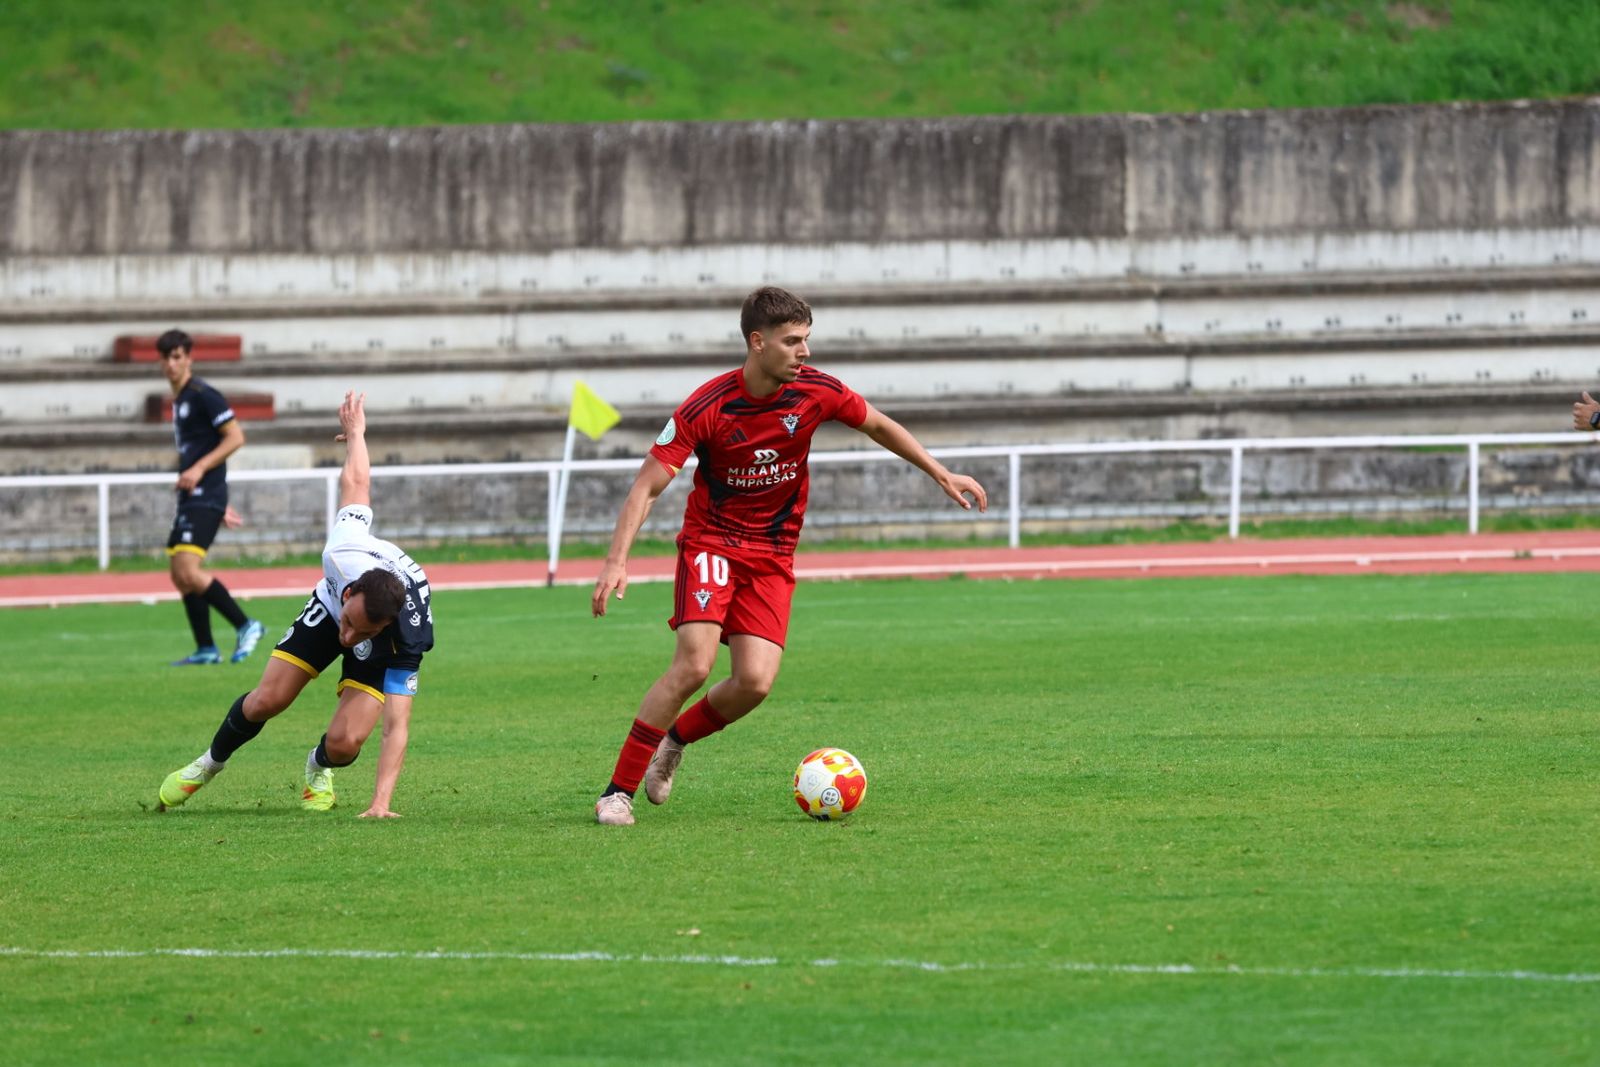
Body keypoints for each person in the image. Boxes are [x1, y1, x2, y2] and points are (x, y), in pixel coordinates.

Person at [589, 286, 989, 826]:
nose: (804, 352)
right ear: (757, 343)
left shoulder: (815, 391)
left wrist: (940, 471)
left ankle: (675, 741)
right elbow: (646, 487)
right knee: (696, 665)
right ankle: (618, 793)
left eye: (807, 340)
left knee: (754, 683)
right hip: (713, 544)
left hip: (773, 554)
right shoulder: (706, 407)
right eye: (792, 341)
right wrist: (617, 560)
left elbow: (876, 423)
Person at [156, 391, 434, 817]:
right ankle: (207, 764)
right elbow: (357, 485)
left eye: (363, 632)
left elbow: (398, 725)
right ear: (349, 592)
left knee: (346, 744)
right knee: (268, 700)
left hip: (382, 644)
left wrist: (381, 803)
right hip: (324, 607)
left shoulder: (407, 634)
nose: (350, 636)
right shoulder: (342, 553)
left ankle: (318, 767)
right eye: (352, 622)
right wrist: (358, 434)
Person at [157, 328, 264, 666]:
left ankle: (247, 624)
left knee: (188, 570)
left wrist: (201, 473)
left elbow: (235, 437)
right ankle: (206, 648)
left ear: (188, 358)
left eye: (177, 357)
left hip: (204, 493)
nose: (171, 364)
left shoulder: (203, 394)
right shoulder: (181, 401)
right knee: (178, 572)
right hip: (199, 496)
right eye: (166, 357)